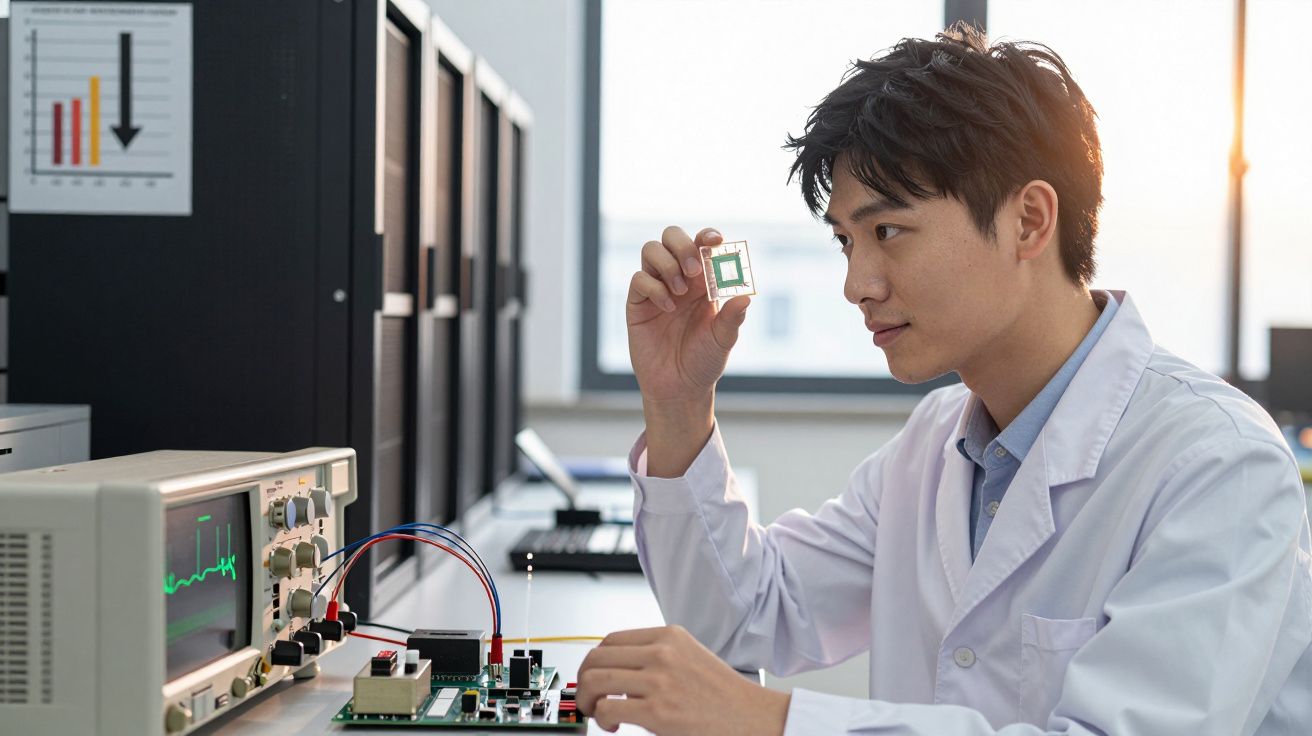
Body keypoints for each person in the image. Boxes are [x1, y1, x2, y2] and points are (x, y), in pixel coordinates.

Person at [573, 23, 1312, 736]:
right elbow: (744, 617)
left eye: (887, 231)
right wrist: (679, 404)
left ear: (1028, 221)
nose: (856, 284)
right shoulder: (935, 444)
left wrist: (770, 722)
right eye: (844, 242)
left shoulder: (1217, 466)